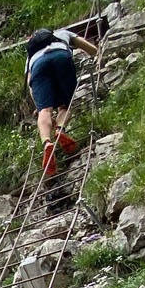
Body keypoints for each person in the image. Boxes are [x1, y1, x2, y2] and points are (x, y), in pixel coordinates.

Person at [25, 26, 100, 185]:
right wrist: (97, 55)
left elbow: (30, 84)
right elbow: (91, 49)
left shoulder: (31, 53)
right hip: (61, 56)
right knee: (66, 105)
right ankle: (60, 130)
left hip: (38, 65)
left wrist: (39, 105)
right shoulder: (62, 34)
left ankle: (47, 142)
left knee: (44, 111)